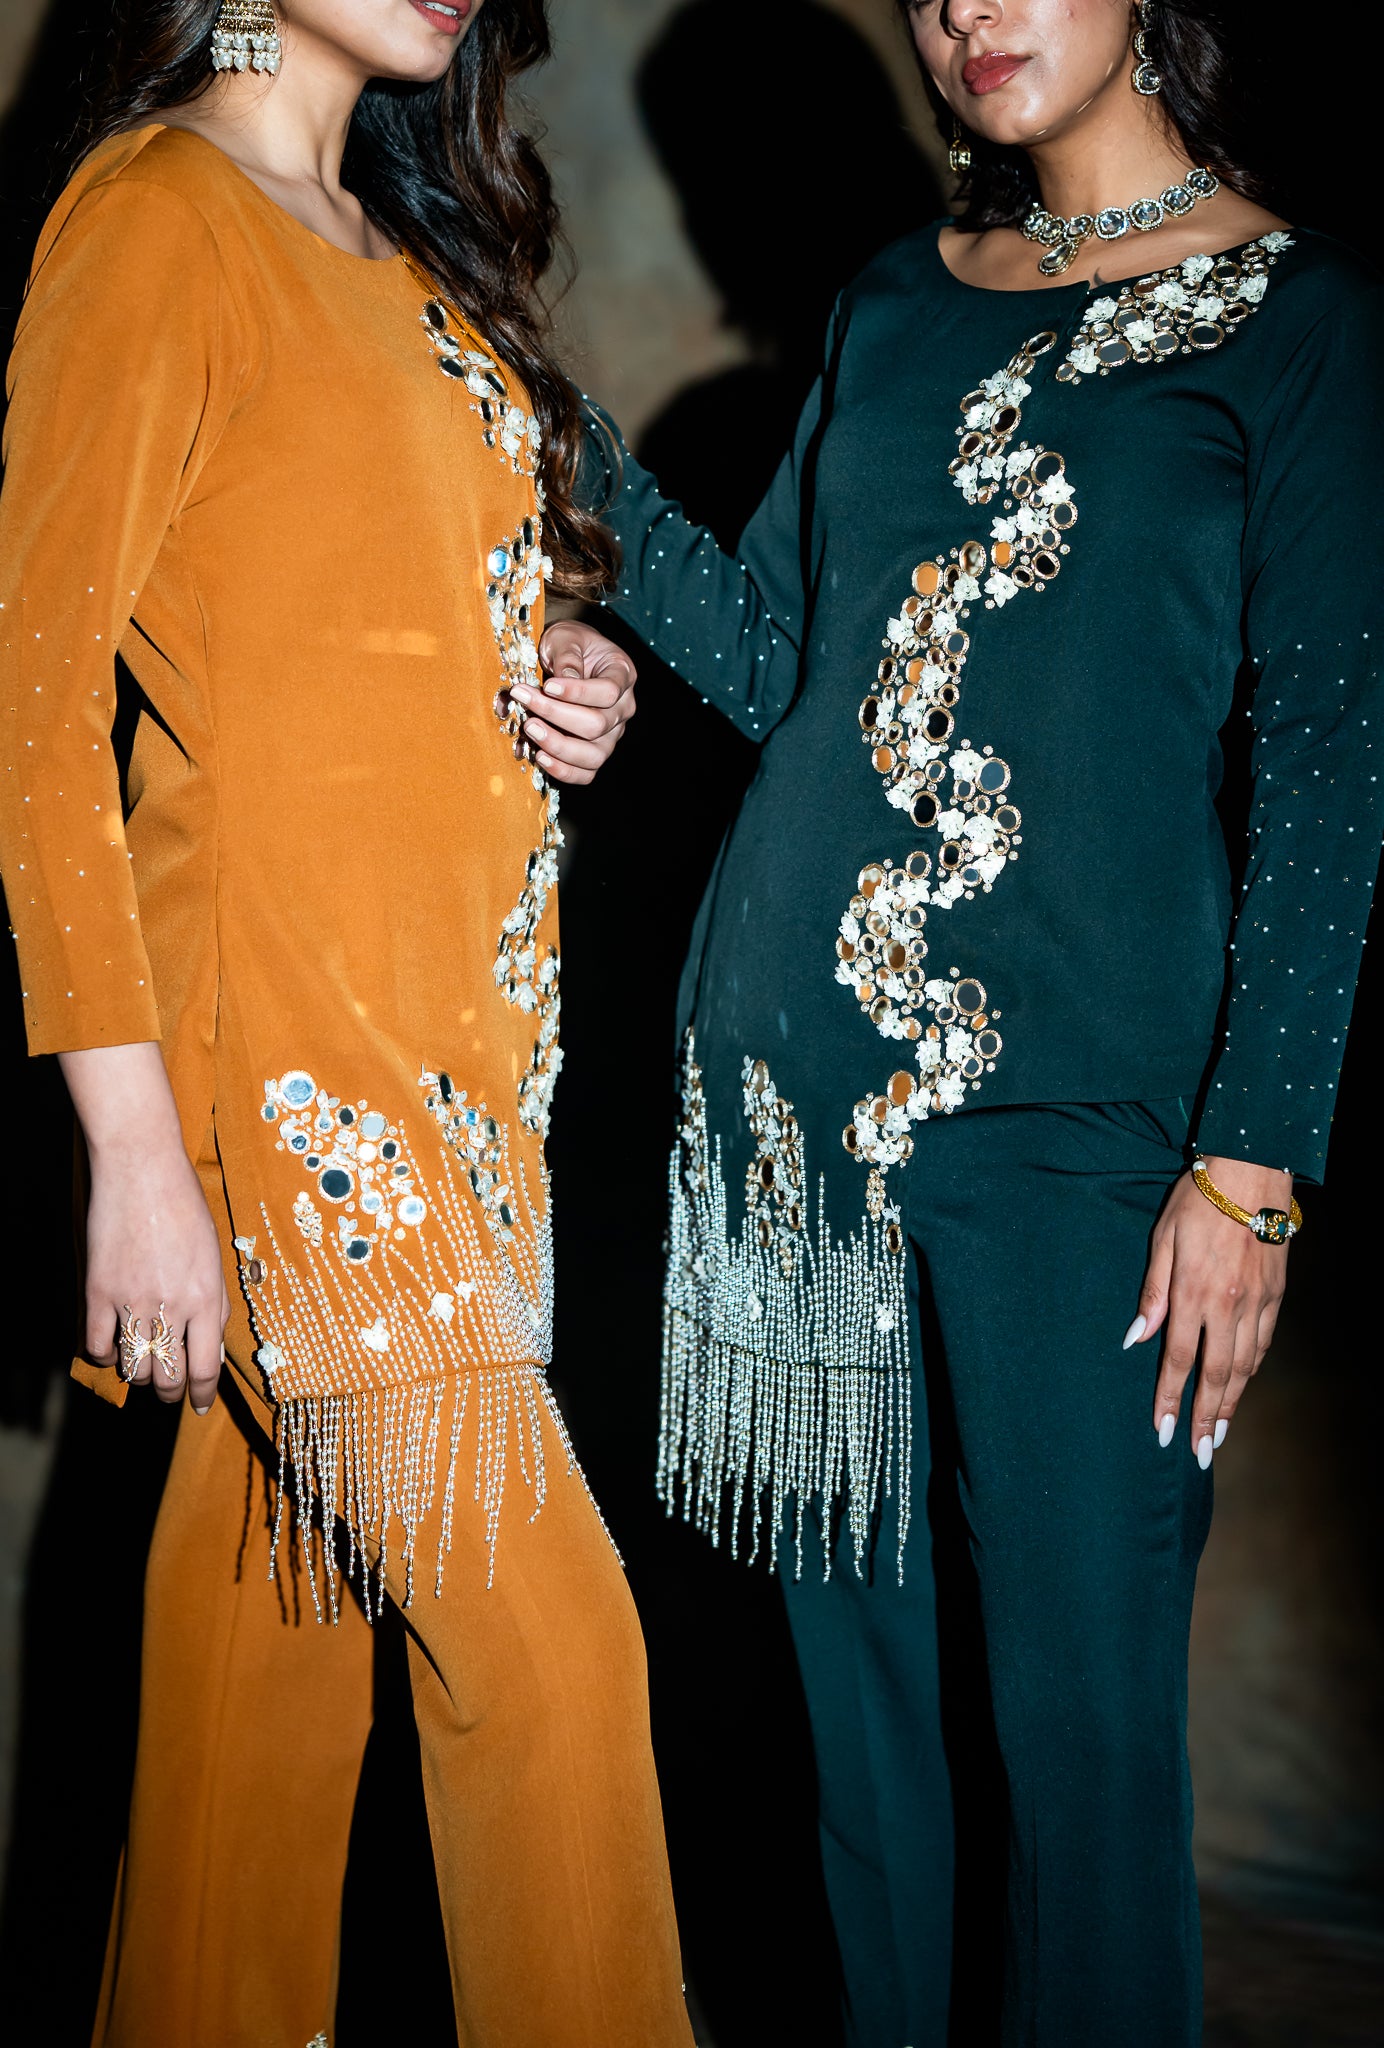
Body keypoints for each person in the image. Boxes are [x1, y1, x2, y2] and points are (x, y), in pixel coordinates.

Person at [534, 0, 1384, 2041]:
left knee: (1083, 1757)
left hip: (1083, 1141)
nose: (967, 17)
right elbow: (778, 658)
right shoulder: (895, 301)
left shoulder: (1301, 319)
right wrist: (561, 466)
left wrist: (1254, 1164)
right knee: (864, 1771)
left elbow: (1330, 757)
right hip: (789, 1120)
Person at [0, 3, 696, 2044]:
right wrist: (135, 1153)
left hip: (465, 1079)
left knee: (256, 1725)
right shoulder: (155, 216)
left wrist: (566, 665)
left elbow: (380, 612)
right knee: (554, 1673)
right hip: (295, 1098)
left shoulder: (409, 254)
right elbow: (33, 724)